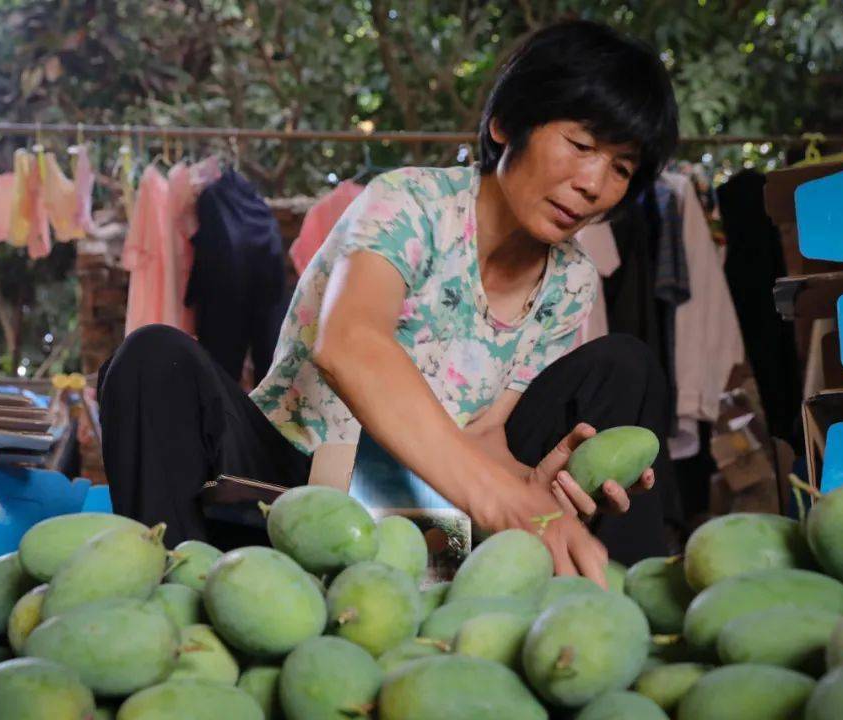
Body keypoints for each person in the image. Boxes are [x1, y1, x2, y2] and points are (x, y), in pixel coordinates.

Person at [98, 19, 680, 584]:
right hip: (286, 485)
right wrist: (501, 500)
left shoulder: (572, 277)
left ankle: (602, 605)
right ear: (505, 125)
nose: (595, 184)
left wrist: (533, 491)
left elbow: (484, 435)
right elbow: (348, 345)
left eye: (621, 168)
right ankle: (177, 599)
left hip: (420, 516)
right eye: (581, 144)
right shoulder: (410, 203)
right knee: (153, 358)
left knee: (624, 366)